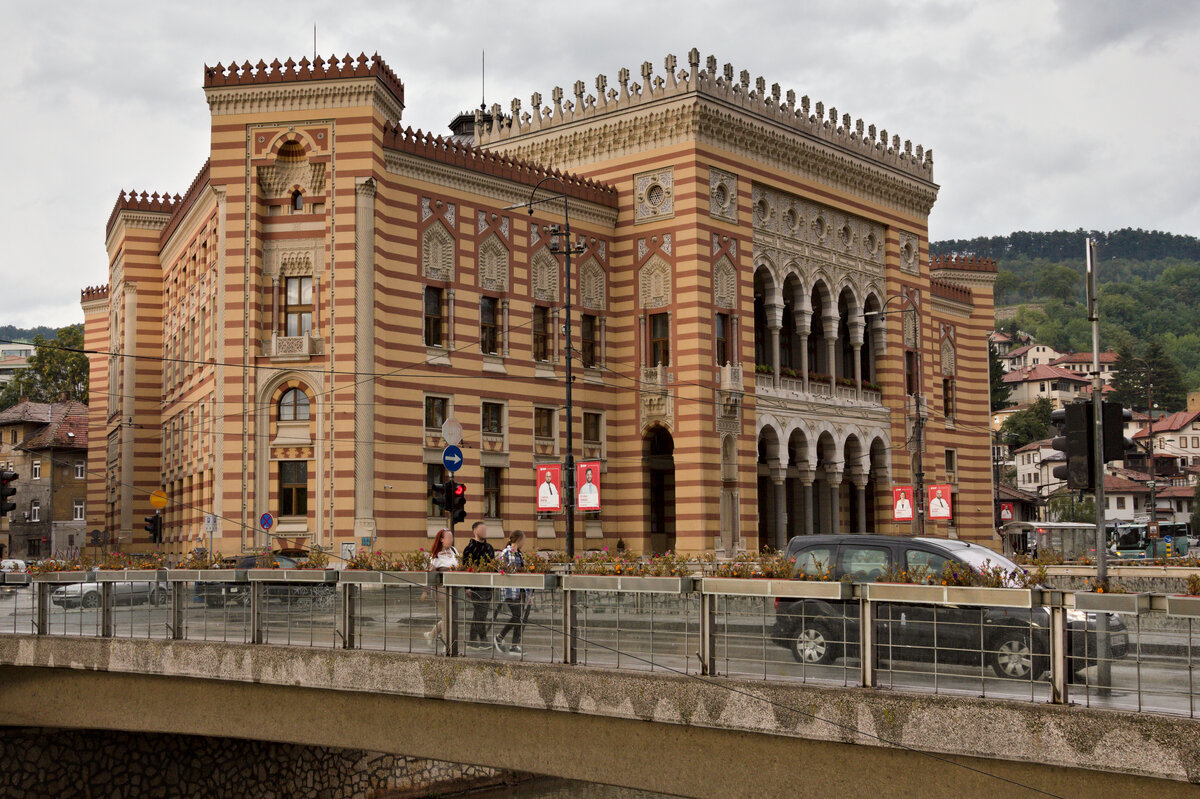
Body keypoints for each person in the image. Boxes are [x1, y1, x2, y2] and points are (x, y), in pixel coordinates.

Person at [494, 530, 530, 656]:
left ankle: (514, 645)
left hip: (521, 591)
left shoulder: (520, 554)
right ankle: (500, 636)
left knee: (519, 617)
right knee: (516, 616)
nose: (525, 542)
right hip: (509, 591)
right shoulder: (506, 553)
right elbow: (501, 569)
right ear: (518, 540)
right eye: (523, 539)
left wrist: (529, 593)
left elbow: (524, 573)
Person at [461, 520, 495, 650]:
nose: (484, 532)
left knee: (479, 613)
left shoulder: (489, 548)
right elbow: (466, 568)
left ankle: (472, 641)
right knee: (480, 613)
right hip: (475, 586)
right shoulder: (469, 549)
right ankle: (484, 640)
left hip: (487, 586)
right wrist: (467, 587)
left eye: (485, 530)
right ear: (475, 531)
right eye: (482, 530)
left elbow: (493, 566)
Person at [423, 529, 459, 644]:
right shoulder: (435, 555)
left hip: (453, 588)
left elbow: (459, 565)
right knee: (446, 616)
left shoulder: (454, 551)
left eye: (451, 537)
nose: (451, 540)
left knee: (450, 616)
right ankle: (447, 643)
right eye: (448, 537)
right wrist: (425, 591)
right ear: (442, 540)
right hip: (440, 590)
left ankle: (431, 634)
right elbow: (430, 573)